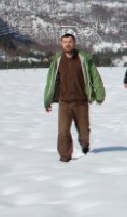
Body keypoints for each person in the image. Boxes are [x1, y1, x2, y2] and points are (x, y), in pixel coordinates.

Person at [43, 33, 106, 162]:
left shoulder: (84, 59)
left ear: (74, 42)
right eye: (65, 42)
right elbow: (50, 82)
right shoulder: (57, 61)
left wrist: (99, 94)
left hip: (81, 102)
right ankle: (65, 157)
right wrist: (47, 100)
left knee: (83, 132)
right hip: (64, 102)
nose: (67, 44)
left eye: (70, 41)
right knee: (63, 132)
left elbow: (95, 77)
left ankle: (85, 145)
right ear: (61, 44)